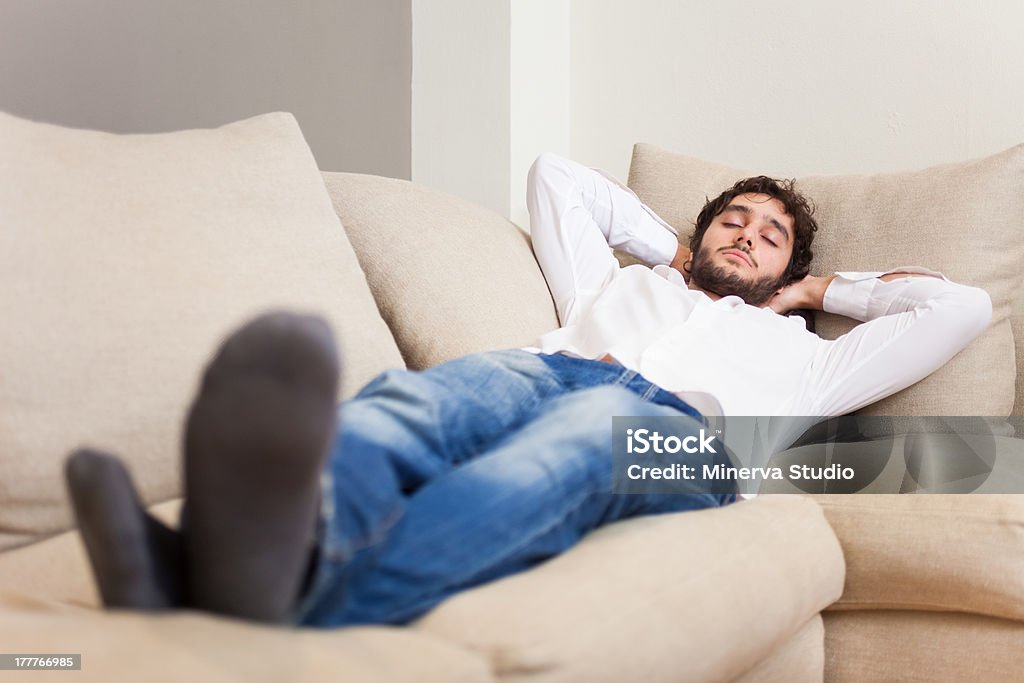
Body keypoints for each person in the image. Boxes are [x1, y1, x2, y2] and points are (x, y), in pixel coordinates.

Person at [64, 153, 992, 628]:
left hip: (685, 438)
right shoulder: (618, 286)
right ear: (697, 234)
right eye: (732, 222)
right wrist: (673, 251)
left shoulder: (813, 356)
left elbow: (961, 308)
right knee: (410, 406)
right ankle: (209, 563)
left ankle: (302, 611)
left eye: (772, 236)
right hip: (543, 369)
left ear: (794, 268)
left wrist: (827, 293)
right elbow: (558, 177)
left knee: (572, 446)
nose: (747, 236)